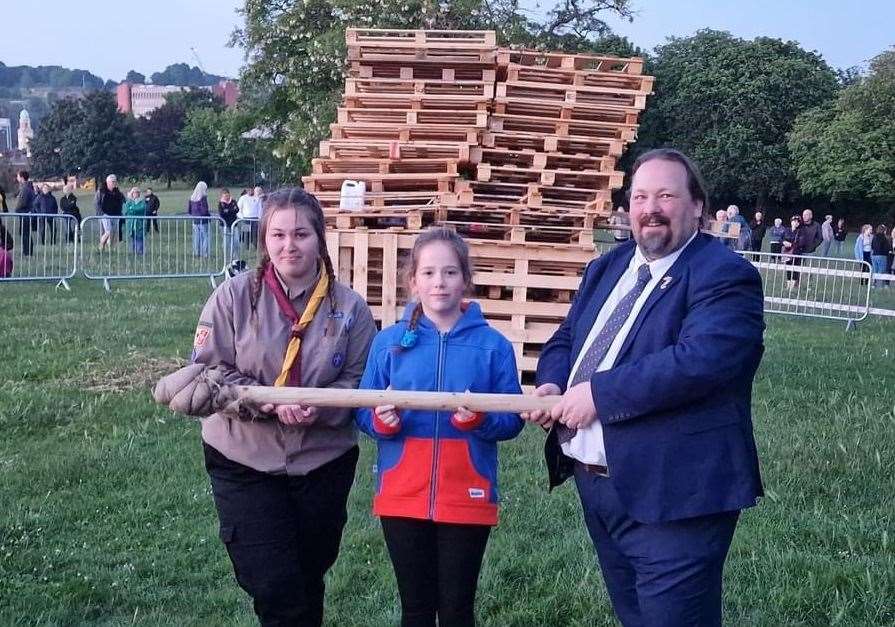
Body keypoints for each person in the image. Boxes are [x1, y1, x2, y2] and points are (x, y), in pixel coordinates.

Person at [522, 148, 764, 627]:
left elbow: (703, 361)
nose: (650, 207)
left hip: (677, 498)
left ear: (697, 206)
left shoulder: (725, 275)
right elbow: (568, 337)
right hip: (602, 489)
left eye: (666, 195)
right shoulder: (607, 268)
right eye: (639, 196)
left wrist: (597, 393)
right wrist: (551, 382)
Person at [153, 187, 377, 625]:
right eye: (277, 235)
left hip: (323, 460)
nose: (289, 245)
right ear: (264, 240)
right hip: (243, 458)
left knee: (308, 576)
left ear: (320, 239)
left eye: (300, 234)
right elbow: (210, 371)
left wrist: (320, 406)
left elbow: (359, 378)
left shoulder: (349, 309)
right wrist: (270, 404)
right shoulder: (232, 298)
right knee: (275, 584)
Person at [355, 227, 523, 627]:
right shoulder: (389, 343)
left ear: (465, 278)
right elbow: (362, 410)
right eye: (428, 273)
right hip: (402, 491)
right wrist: (381, 420)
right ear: (413, 281)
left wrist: (480, 420)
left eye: (449, 272)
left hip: (467, 491)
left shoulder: (493, 346)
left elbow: (513, 418)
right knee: (415, 608)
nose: (439, 283)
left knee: (456, 609)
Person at [96, 174, 125, 250]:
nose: (114, 183)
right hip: (105, 214)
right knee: (108, 231)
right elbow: (97, 203)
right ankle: (101, 246)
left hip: (115, 214)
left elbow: (122, 202)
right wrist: (100, 213)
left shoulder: (118, 192)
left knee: (114, 232)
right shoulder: (101, 191)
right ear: (108, 182)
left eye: (115, 181)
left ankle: (110, 249)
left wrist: (120, 213)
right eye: (112, 181)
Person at [782, 215, 807, 289]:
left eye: (797, 222)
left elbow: (801, 243)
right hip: (787, 252)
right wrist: (783, 242)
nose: (795, 223)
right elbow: (781, 238)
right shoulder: (787, 230)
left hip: (796, 253)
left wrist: (791, 244)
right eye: (794, 221)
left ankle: (793, 286)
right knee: (788, 268)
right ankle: (788, 285)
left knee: (795, 269)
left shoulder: (801, 231)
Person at [15, 170, 37, 256]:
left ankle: (27, 252)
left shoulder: (25, 188)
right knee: (24, 233)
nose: (17, 178)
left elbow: (22, 202)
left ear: (22, 177)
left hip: (25, 214)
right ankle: (27, 251)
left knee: (25, 234)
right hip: (26, 214)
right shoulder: (26, 187)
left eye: (18, 176)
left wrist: (17, 209)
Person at [187, 181, 211, 257]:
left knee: (196, 237)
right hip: (204, 220)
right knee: (206, 237)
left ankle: (196, 252)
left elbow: (189, 211)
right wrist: (208, 215)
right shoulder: (203, 198)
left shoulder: (192, 197)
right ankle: (205, 253)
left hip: (195, 220)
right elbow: (205, 210)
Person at [123, 187, 148, 255]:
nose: (135, 194)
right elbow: (126, 211)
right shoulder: (129, 202)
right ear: (132, 194)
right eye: (134, 192)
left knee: (139, 237)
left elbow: (141, 209)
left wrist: (132, 209)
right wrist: (133, 209)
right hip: (131, 224)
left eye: (137, 192)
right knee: (133, 238)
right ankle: (134, 253)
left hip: (140, 223)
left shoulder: (142, 202)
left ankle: (140, 252)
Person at [218, 188, 239, 259]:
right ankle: (225, 256)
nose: (227, 197)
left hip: (234, 224)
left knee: (236, 241)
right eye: (225, 196)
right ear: (222, 196)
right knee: (226, 241)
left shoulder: (233, 201)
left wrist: (228, 210)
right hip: (225, 225)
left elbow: (237, 209)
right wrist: (231, 210)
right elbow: (222, 213)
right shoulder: (221, 203)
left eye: (227, 195)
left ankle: (234, 256)